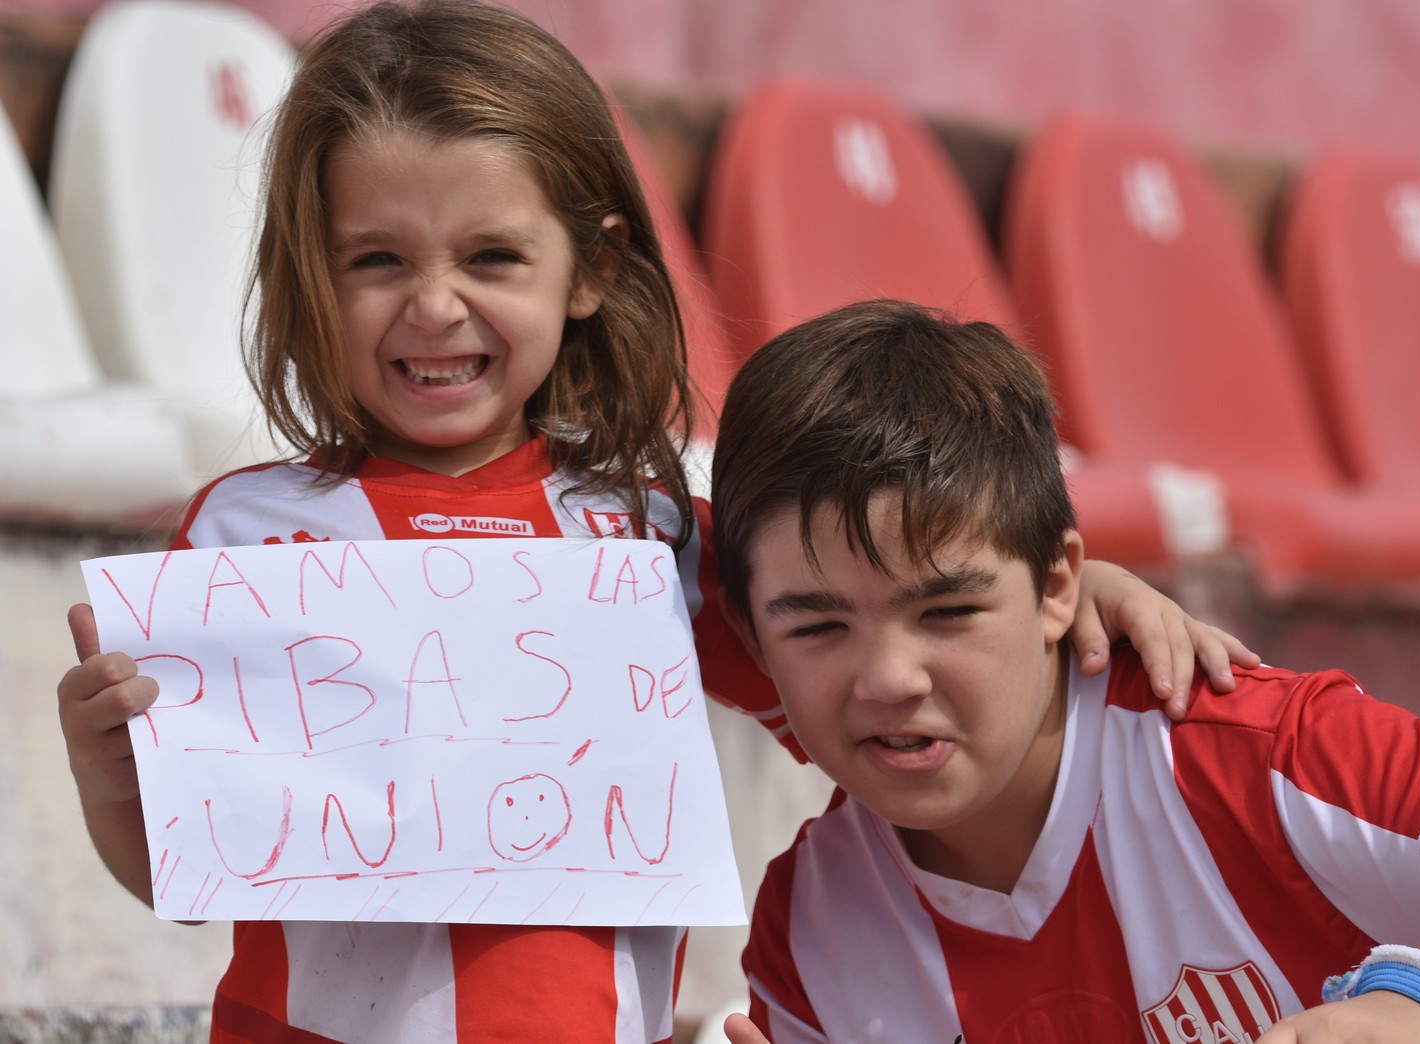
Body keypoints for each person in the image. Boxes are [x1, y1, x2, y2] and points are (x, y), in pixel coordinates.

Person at [53, 5, 1253, 1042]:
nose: (432, 304)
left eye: (491, 255)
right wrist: (114, 780)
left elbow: (877, 659)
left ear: (586, 271)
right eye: (374, 259)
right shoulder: (246, 537)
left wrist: (1075, 599)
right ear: (308, 271)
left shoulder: (659, 537)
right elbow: (188, 877)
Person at [709, 299, 1420, 1044]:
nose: (889, 677)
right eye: (819, 626)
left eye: (947, 613)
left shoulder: (1244, 751)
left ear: (1055, 585)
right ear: (751, 637)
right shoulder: (810, 933)